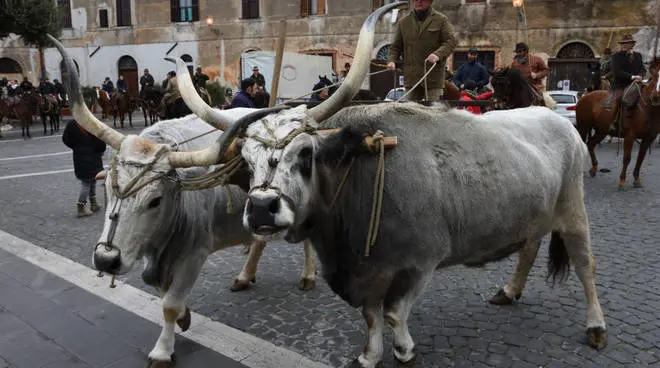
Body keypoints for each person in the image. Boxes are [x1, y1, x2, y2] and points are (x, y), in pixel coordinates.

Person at [387, 0, 457, 101]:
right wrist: (391, 60)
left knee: (434, 112)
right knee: (409, 112)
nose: (419, 1)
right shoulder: (404, 22)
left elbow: (451, 41)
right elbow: (395, 46)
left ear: (430, 1)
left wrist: (438, 54)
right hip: (411, 79)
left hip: (433, 78)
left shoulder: (441, 20)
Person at [62, 120, 107, 217]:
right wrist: (101, 150)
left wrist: (76, 147)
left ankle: (94, 203)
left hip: (79, 156)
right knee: (87, 183)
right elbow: (100, 140)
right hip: (93, 156)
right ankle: (81, 207)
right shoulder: (92, 122)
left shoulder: (72, 123)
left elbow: (65, 139)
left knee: (91, 179)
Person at [609, 34, 646, 130]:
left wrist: (641, 76)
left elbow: (642, 69)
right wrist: (632, 77)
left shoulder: (638, 55)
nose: (624, 45)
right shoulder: (615, 56)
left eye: (627, 43)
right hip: (621, 84)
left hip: (637, 83)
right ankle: (614, 121)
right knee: (618, 98)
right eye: (622, 43)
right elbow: (617, 72)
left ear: (632, 44)